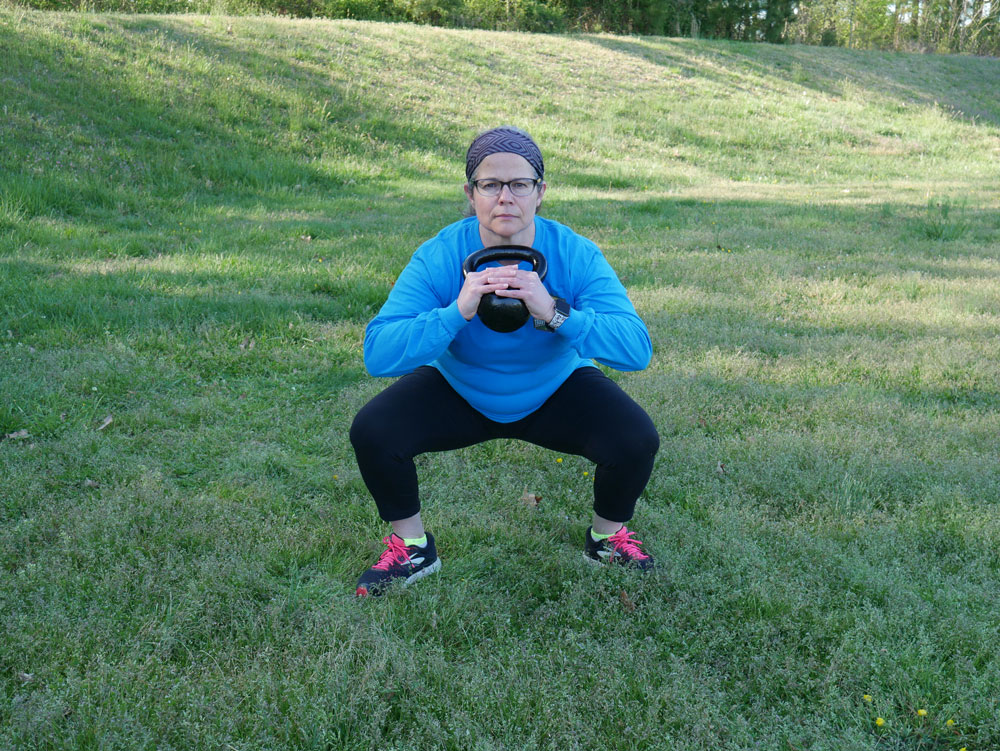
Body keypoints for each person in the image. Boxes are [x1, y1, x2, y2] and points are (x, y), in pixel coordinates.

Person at [350, 126, 660, 596]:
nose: (505, 198)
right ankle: (412, 547)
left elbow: (636, 348)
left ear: (541, 192)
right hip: (460, 387)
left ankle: (606, 538)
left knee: (635, 437)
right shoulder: (440, 255)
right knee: (374, 429)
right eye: (490, 184)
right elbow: (379, 352)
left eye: (520, 184)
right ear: (471, 194)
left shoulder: (574, 253)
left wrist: (555, 312)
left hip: (554, 385)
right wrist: (456, 312)